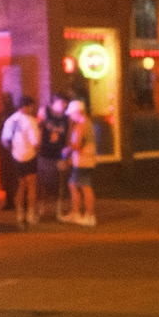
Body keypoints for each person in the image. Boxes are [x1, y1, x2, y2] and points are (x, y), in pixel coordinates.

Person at [3, 98, 41, 227]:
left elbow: (5, 140)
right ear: (27, 107)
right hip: (29, 156)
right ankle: (30, 214)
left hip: (16, 156)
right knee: (31, 185)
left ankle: (20, 214)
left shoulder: (10, 120)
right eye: (31, 107)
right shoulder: (30, 121)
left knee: (20, 186)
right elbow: (35, 143)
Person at [36, 94, 70, 222]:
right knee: (43, 183)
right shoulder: (45, 112)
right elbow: (38, 128)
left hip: (59, 154)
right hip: (45, 153)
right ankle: (41, 209)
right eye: (62, 102)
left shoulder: (66, 118)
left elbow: (68, 134)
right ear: (54, 102)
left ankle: (58, 210)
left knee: (58, 183)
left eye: (66, 103)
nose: (65, 105)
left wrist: (66, 154)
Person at [66, 97, 98, 226]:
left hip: (82, 161)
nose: (70, 117)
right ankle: (78, 213)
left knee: (83, 187)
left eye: (71, 114)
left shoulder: (81, 125)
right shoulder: (88, 123)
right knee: (76, 185)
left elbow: (76, 144)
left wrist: (67, 150)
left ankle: (88, 216)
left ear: (77, 112)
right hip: (86, 160)